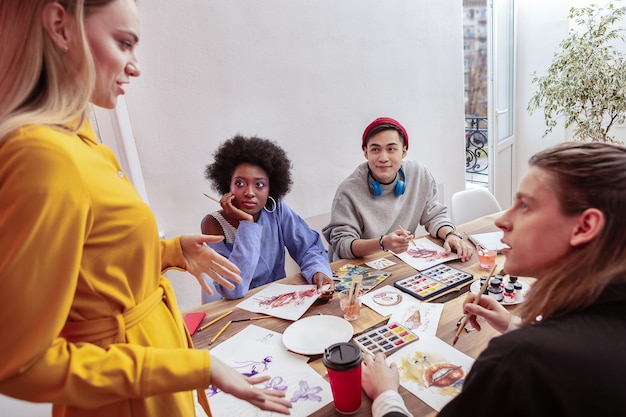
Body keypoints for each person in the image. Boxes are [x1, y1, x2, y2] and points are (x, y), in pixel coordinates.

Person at [0, 1, 292, 416]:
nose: (135, 67)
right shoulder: (43, 157)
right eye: (123, 44)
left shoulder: (80, 143)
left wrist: (171, 251)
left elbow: (93, 266)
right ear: (60, 26)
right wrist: (197, 366)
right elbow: (19, 364)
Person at [362, 141, 626, 417]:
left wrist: (386, 395)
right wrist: (515, 325)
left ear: (585, 227)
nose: (502, 219)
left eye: (525, 206)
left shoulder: (517, 362)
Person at [201, 134, 334, 301]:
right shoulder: (213, 224)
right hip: (236, 311)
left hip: (280, 304)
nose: (249, 192)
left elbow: (308, 247)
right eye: (240, 183)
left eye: (259, 184)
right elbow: (233, 289)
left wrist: (318, 272)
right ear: (228, 183)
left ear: (270, 187)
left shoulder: (275, 209)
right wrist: (247, 225)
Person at [322, 116, 473, 262]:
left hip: (399, 262)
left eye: (391, 149)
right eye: (375, 149)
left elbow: (434, 216)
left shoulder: (419, 174)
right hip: (357, 269)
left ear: (404, 151)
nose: (383, 157)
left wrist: (450, 235)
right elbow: (342, 245)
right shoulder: (348, 190)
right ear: (365, 152)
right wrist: (382, 244)